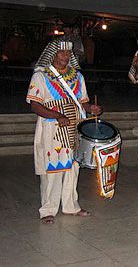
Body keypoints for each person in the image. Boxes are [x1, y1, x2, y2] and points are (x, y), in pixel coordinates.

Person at [26, 40, 102, 224]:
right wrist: (57, 115)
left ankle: (71, 206)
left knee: (72, 168)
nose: (65, 56)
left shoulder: (77, 77)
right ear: (52, 54)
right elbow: (35, 105)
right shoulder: (41, 76)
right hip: (52, 127)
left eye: (68, 53)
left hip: (74, 125)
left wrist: (91, 107)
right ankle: (48, 210)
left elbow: (82, 101)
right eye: (61, 53)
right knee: (52, 169)